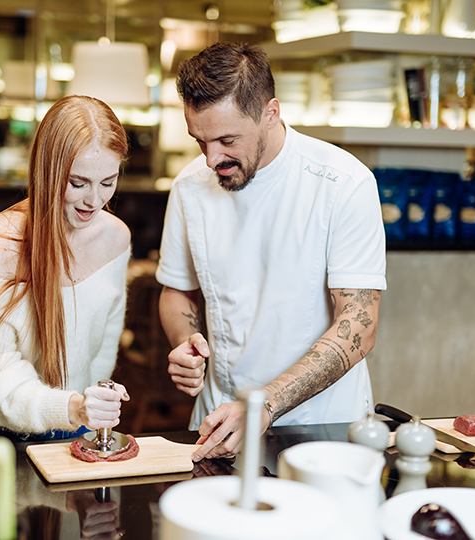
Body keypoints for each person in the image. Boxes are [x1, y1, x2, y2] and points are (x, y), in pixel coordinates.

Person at [156, 42, 387, 461]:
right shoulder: (189, 186)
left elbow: (359, 324)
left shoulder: (344, 183)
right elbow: (177, 291)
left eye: (227, 139)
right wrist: (185, 341)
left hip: (322, 425)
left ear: (271, 113)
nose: (211, 159)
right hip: (218, 425)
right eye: (200, 140)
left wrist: (264, 403)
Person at [0, 95, 131, 442]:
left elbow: (102, 352)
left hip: (73, 427)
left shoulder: (116, 239)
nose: (95, 200)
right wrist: (69, 408)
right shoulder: (0, 244)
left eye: (108, 182)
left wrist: (89, 409)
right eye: (78, 183)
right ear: (46, 172)